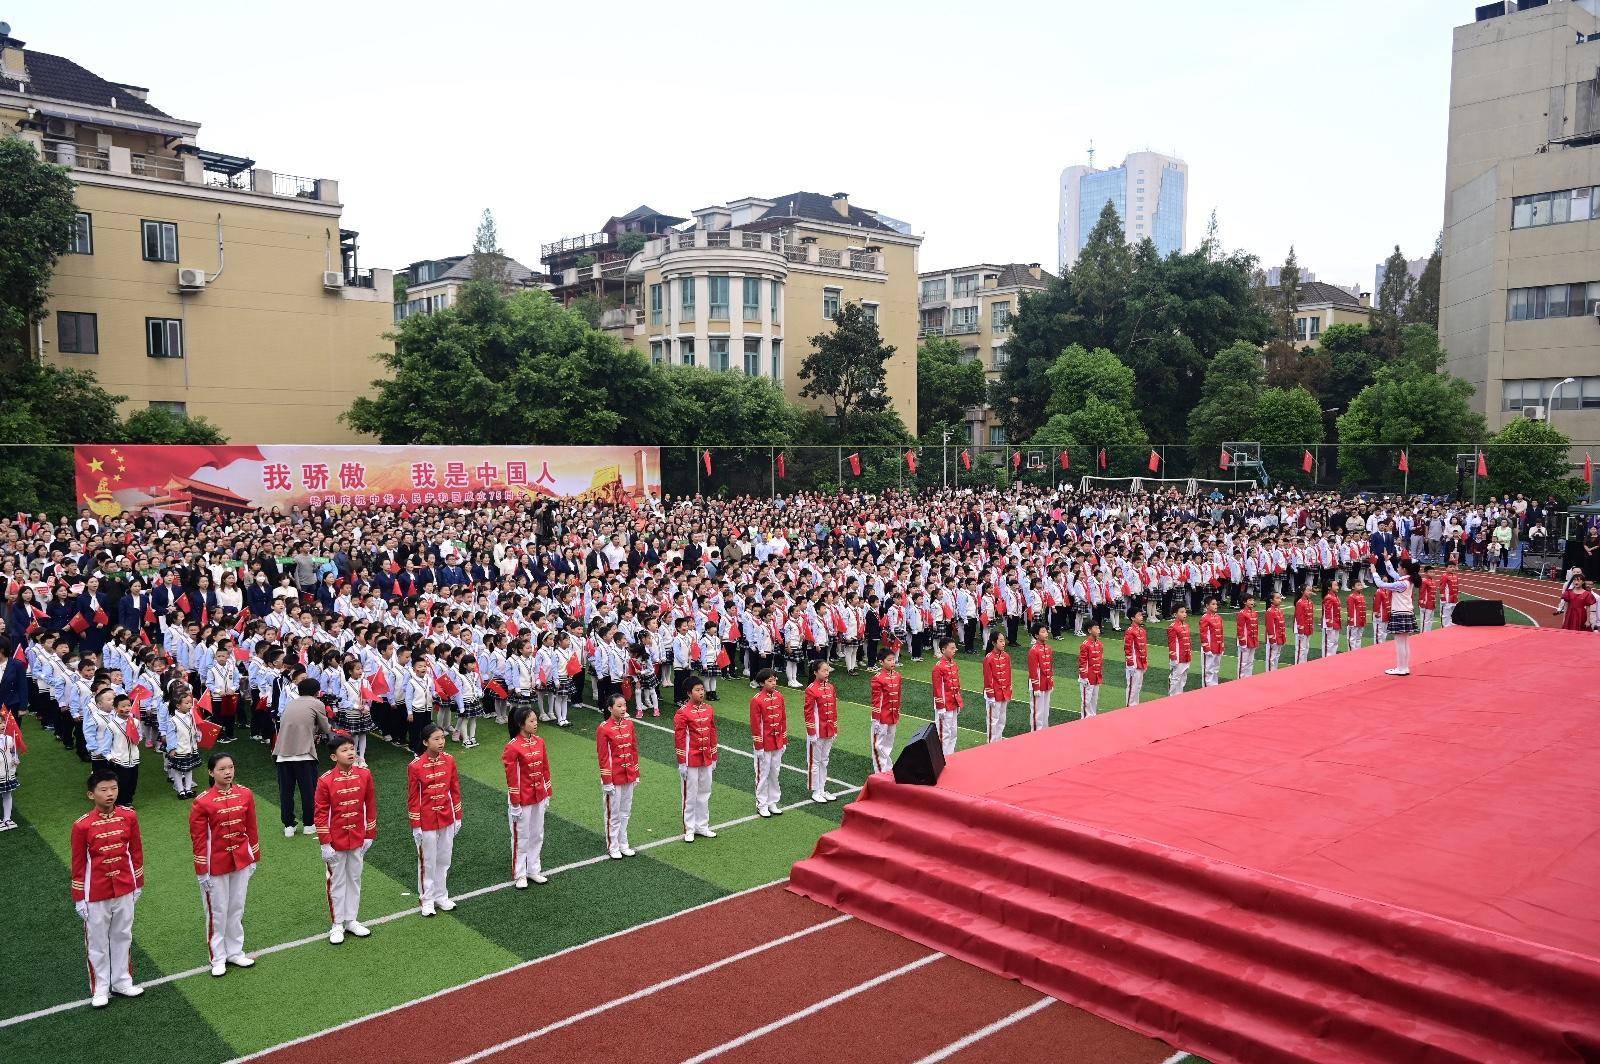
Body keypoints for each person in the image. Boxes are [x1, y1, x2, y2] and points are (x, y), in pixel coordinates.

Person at [71, 768, 145, 1008]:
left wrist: (138, 883)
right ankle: (100, 988)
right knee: (97, 941)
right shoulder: (82, 826)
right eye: (103, 790)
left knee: (123, 935)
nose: (110, 794)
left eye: (113, 788)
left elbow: (135, 851)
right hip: (96, 892)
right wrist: (79, 897)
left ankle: (122, 981)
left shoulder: (129, 817)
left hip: (124, 886)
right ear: (91, 795)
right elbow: (79, 864)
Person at [188, 751, 260, 976]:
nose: (228, 772)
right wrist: (202, 870)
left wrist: (254, 856)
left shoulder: (245, 794)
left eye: (230, 767)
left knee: (236, 906)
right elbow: (199, 839)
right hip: (215, 864)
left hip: (240, 860)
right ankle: (218, 957)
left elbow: (251, 827)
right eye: (221, 769)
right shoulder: (202, 802)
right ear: (211, 772)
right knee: (217, 911)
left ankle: (236, 951)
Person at [315, 735, 377, 942]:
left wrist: (369, 834)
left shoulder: (364, 775)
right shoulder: (325, 780)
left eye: (352, 749)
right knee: (336, 881)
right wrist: (325, 843)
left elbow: (370, 805)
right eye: (345, 750)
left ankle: (351, 920)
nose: (351, 753)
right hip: (336, 841)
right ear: (334, 756)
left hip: (358, 837)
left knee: (355, 878)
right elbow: (321, 813)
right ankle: (337, 924)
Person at [407, 723, 462, 917]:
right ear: (425, 742)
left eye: (442, 738)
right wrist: (416, 825)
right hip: (427, 821)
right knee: (427, 861)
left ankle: (441, 895)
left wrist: (458, 816)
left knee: (444, 859)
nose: (441, 742)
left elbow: (454, 789)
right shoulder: (415, 766)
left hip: (447, 817)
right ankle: (427, 899)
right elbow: (413, 798)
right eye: (436, 739)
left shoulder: (449, 760)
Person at [502, 705, 552, 886]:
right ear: (521, 724)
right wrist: (515, 803)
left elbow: (545, 768)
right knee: (520, 836)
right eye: (531, 720)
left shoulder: (540, 742)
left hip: (538, 795)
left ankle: (533, 869)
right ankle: (520, 873)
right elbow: (512, 777)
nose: (535, 723)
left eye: (535, 719)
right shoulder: (512, 747)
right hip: (522, 799)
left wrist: (547, 792)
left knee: (537, 833)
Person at [276, 677, 331, 838]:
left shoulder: (291, 703)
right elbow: (326, 727)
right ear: (316, 692)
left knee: (286, 792)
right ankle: (309, 824)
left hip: (282, 754)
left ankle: (288, 826)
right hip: (304, 753)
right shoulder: (317, 703)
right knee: (308, 791)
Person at [674, 677, 718, 843]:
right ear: (689, 693)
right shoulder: (682, 712)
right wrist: (682, 762)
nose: (701, 693)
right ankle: (689, 828)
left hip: (706, 757)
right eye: (697, 690)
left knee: (705, 792)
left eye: (702, 689)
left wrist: (714, 756)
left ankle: (702, 826)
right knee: (689, 795)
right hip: (690, 760)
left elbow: (713, 733)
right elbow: (679, 738)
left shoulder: (708, 709)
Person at [597, 693, 640, 856]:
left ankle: (623, 843)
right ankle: (613, 846)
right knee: (612, 814)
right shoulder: (604, 728)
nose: (623, 709)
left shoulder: (629, 724)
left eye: (624, 705)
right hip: (614, 778)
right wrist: (607, 780)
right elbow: (603, 757)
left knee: (625, 811)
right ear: (610, 708)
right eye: (619, 706)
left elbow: (633, 750)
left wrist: (636, 772)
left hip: (629, 774)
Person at [1368, 560, 1419, 676]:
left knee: (1400, 642)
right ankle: (1404, 667)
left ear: (1404, 569)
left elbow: (1381, 584)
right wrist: (1386, 561)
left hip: (1400, 613)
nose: (1398, 569)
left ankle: (1401, 668)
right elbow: (1394, 574)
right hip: (1407, 612)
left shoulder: (1402, 583)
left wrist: (1374, 573)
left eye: (1399, 567)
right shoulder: (1408, 579)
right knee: (1404, 642)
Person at [748, 669, 786, 817]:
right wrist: (758, 746)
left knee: (775, 772)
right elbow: (755, 724)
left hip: (777, 742)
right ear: (762, 683)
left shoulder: (779, 696)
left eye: (774, 680)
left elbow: (783, 719)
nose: (774, 683)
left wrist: (784, 740)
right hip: (764, 744)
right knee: (762, 774)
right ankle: (761, 803)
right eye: (770, 681)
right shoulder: (757, 700)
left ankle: (773, 801)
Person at [803, 659, 839, 804]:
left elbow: (834, 709)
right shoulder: (811, 689)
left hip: (829, 730)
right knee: (815, 761)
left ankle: (822, 789)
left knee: (824, 760)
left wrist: (835, 728)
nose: (827, 672)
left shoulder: (830, 687)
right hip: (817, 731)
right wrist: (811, 732)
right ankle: (816, 790)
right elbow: (808, 713)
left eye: (828, 669)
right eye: (824, 670)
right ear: (815, 672)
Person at [868, 648, 901, 773]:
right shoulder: (878, 678)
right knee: (878, 745)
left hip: (892, 715)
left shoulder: (897, 676)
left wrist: (897, 711)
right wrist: (876, 718)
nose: (893, 662)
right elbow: (876, 700)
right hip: (881, 716)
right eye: (889, 660)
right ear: (882, 662)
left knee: (889, 742)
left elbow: (898, 695)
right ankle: (880, 770)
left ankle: (887, 766)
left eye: (893, 659)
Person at [931, 637, 963, 754]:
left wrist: (958, 701)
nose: (955, 650)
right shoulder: (938, 667)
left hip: (953, 703)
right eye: (952, 648)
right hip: (944, 705)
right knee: (944, 734)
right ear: (943, 650)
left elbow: (957, 684)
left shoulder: (953, 664)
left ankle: (950, 755)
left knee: (953, 732)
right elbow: (937, 688)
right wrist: (940, 707)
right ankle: (942, 758)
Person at [981, 631, 1011, 743]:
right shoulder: (989, 658)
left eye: (1004, 641)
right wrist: (990, 696)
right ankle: (991, 744)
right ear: (994, 643)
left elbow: (1008, 675)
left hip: (1004, 693)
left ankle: (998, 741)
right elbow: (988, 679)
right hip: (994, 694)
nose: (1003, 643)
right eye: (1001, 641)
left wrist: (1008, 691)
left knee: (1002, 720)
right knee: (993, 720)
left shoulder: (1006, 656)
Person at [1025, 624, 1053, 732]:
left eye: (1046, 631)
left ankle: (1045, 730)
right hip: (1038, 685)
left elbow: (1050, 667)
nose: (1046, 634)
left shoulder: (1048, 648)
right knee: (1037, 711)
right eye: (1043, 632)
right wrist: (1036, 687)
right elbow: (1033, 670)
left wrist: (1051, 682)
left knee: (1046, 710)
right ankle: (1036, 732)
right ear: (1036, 635)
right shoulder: (1034, 650)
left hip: (1046, 683)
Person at [0, 703, 23, 830]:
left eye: (3, 723)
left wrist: (15, 759)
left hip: (7, 772)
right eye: (0, 723)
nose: (3, 725)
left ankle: (7, 818)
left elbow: (14, 752)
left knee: (7, 794)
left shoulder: (9, 738)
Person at [1077, 623, 1104, 717]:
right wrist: (1084, 677)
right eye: (1095, 628)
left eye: (1098, 628)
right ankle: (1085, 719)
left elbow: (1100, 661)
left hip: (1096, 676)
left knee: (1094, 699)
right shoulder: (1085, 645)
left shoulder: (1100, 644)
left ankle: (1092, 717)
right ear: (1089, 630)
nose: (1098, 630)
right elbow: (1082, 662)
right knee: (1086, 700)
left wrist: (1100, 674)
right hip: (1087, 678)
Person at [1123, 609, 1148, 705]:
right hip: (1134, 664)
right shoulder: (1130, 631)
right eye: (1139, 615)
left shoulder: (1142, 630)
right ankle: (1130, 707)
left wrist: (1145, 662)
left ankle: (1135, 705)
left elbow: (1143, 648)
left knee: (1138, 686)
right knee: (1132, 687)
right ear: (1133, 618)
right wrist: (1130, 664)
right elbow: (1127, 648)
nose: (1142, 617)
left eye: (1142, 615)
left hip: (1141, 663)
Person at [1199, 599, 1224, 687]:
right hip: (1209, 648)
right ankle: (1207, 688)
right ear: (1207, 606)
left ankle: (1214, 685)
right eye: (1213, 604)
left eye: (1216, 604)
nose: (1215, 606)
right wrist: (1206, 648)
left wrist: (1222, 645)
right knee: (1208, 669)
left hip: (1218, 646)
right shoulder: (1205, 618)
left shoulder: (1218, 617)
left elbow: (1221, 632)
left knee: (1216, 668)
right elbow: (1203, 634)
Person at [1167, 606, 1191, 697]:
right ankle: (1172, 696)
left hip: (1186, 656)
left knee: (1183, 678)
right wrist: (1173, 658)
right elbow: (1172, 644)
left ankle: (1179, 695)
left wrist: (1189, 653)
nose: (1185, 614)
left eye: (1185, 612)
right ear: (1175, 614)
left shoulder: (1186, 625)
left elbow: (1188, 641)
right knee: (1175, 678)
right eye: (1182, 612)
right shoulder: (1172, 627)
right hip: (1178, 658)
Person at [1235, 596, 1259, 679]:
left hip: (1253, 640)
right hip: (1245, 641)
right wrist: (1242, 641)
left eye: (1253, 599)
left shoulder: (1254, 612)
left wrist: (1256, 639)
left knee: (1250, 661)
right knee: (1243, 662)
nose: (1252, 601)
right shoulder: (1242, 613)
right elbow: (1240, 628)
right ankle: (1241, 679)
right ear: (1245, 602)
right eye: (1250, 600)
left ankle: (1248, 678)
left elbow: (1256, 627)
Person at [1294, 586, 1315, 666]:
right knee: (1301, 648)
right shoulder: (1300, 602)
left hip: (1308, 628)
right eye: (1308, 590)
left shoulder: (1310, 602)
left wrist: (1311, 627)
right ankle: (1298, 666)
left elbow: (1311, 616)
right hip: (1302, 630)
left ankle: (1304, 664)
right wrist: (1301, 630)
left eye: (1310, 590)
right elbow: (1299, 617)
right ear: (1302, 591)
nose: (1310, 592)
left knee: (1306, 647)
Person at [1321, 585, 1342, 658]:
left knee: (1335, 642)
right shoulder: (1328, 597)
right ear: (1329, 587)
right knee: (1329, 644)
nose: (1337, 586)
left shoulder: (1335, 596)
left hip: (1336, 622)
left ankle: (1332, 659)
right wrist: (1329, 624)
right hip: (1329, 624)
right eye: (1335, 585)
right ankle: (1326, 662)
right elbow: (1328, 611)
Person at [1346, 585, 1367, 651]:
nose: (1361, 586)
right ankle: (1351, 654)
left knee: (1358, 638)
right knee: (1352, 638)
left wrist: (1364, 620)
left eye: (1361, 585)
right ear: (1353, 587)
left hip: (1361, 621)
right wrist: (1351, 621)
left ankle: (1357, 652)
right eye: (1358, 585)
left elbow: (1363, 609)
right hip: (1354, 621)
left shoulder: (1362, 596)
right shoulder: (1351, 597)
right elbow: (1350, 609)